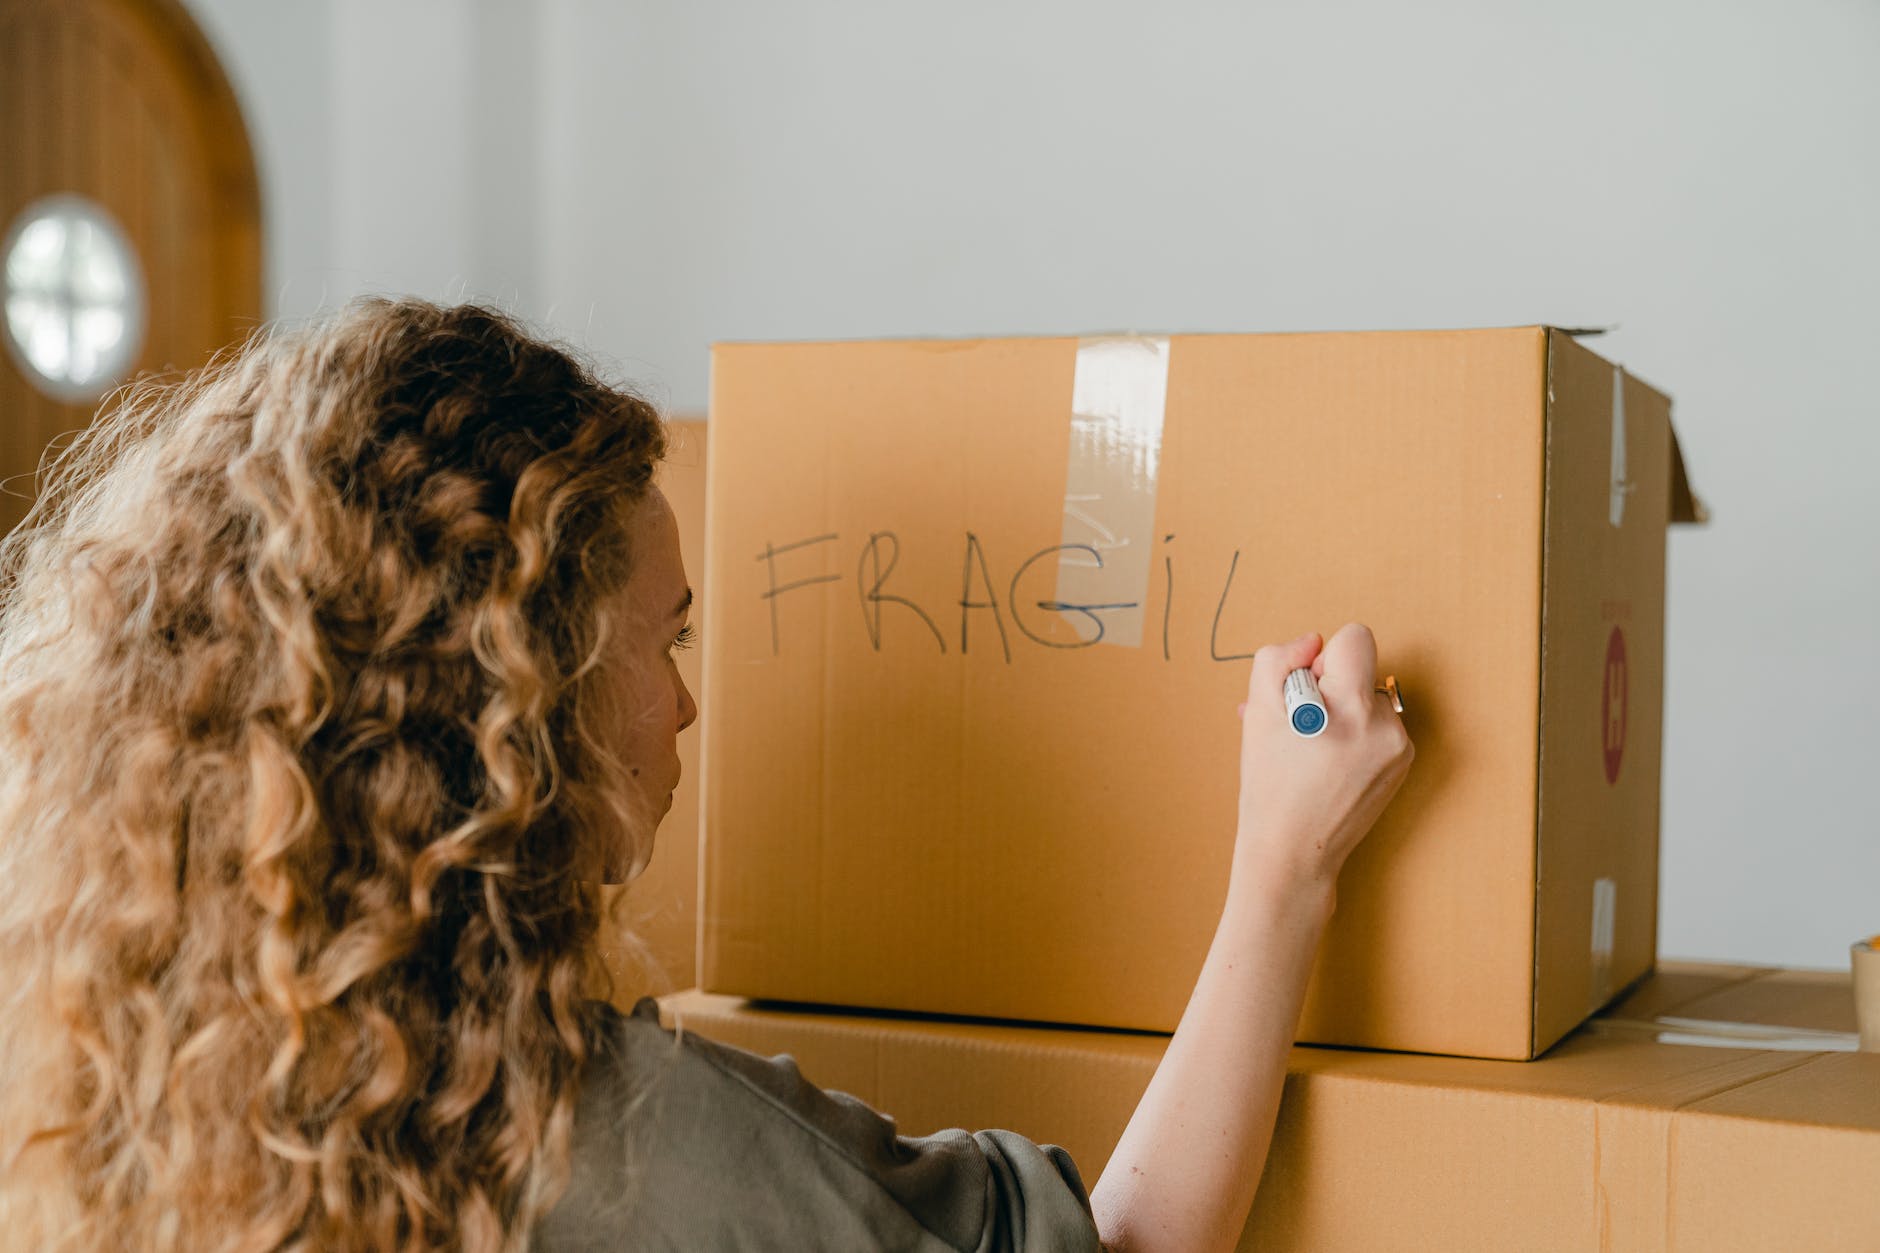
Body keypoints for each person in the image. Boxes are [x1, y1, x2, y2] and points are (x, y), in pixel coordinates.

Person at [0, 297, 1413, 1253]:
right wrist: (1287, 867)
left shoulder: (116, 1091)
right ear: (518, 696)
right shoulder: (612, 1147)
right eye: (664, 640)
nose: (685, 705)